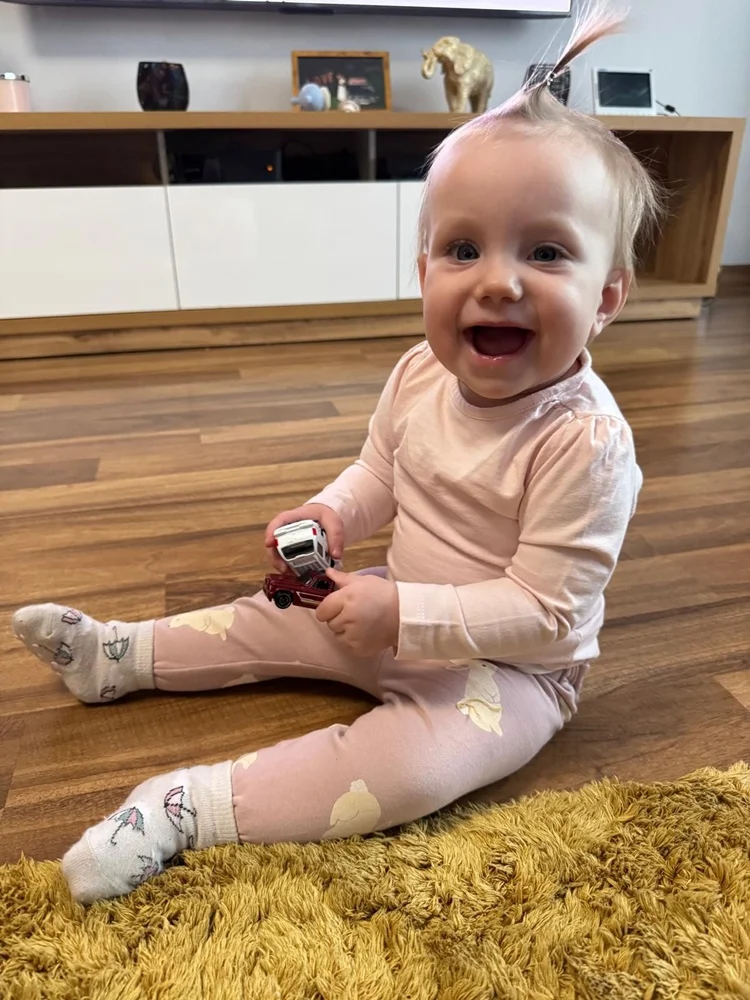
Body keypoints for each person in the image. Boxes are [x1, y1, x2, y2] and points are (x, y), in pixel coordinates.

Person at [12, 3, 661, 905]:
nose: (498, 281)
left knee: (412, 770)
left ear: (607, 299)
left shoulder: (584, 442)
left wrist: (404, 613)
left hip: (513, 673)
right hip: (394, 603)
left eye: (547, 252)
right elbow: (380, 473)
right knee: (266, 616)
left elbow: (548, 613)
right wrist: (330, 513)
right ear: (424, 271)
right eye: (463, 248)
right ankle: (116, 656)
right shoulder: (418, 374)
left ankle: (182, 810)